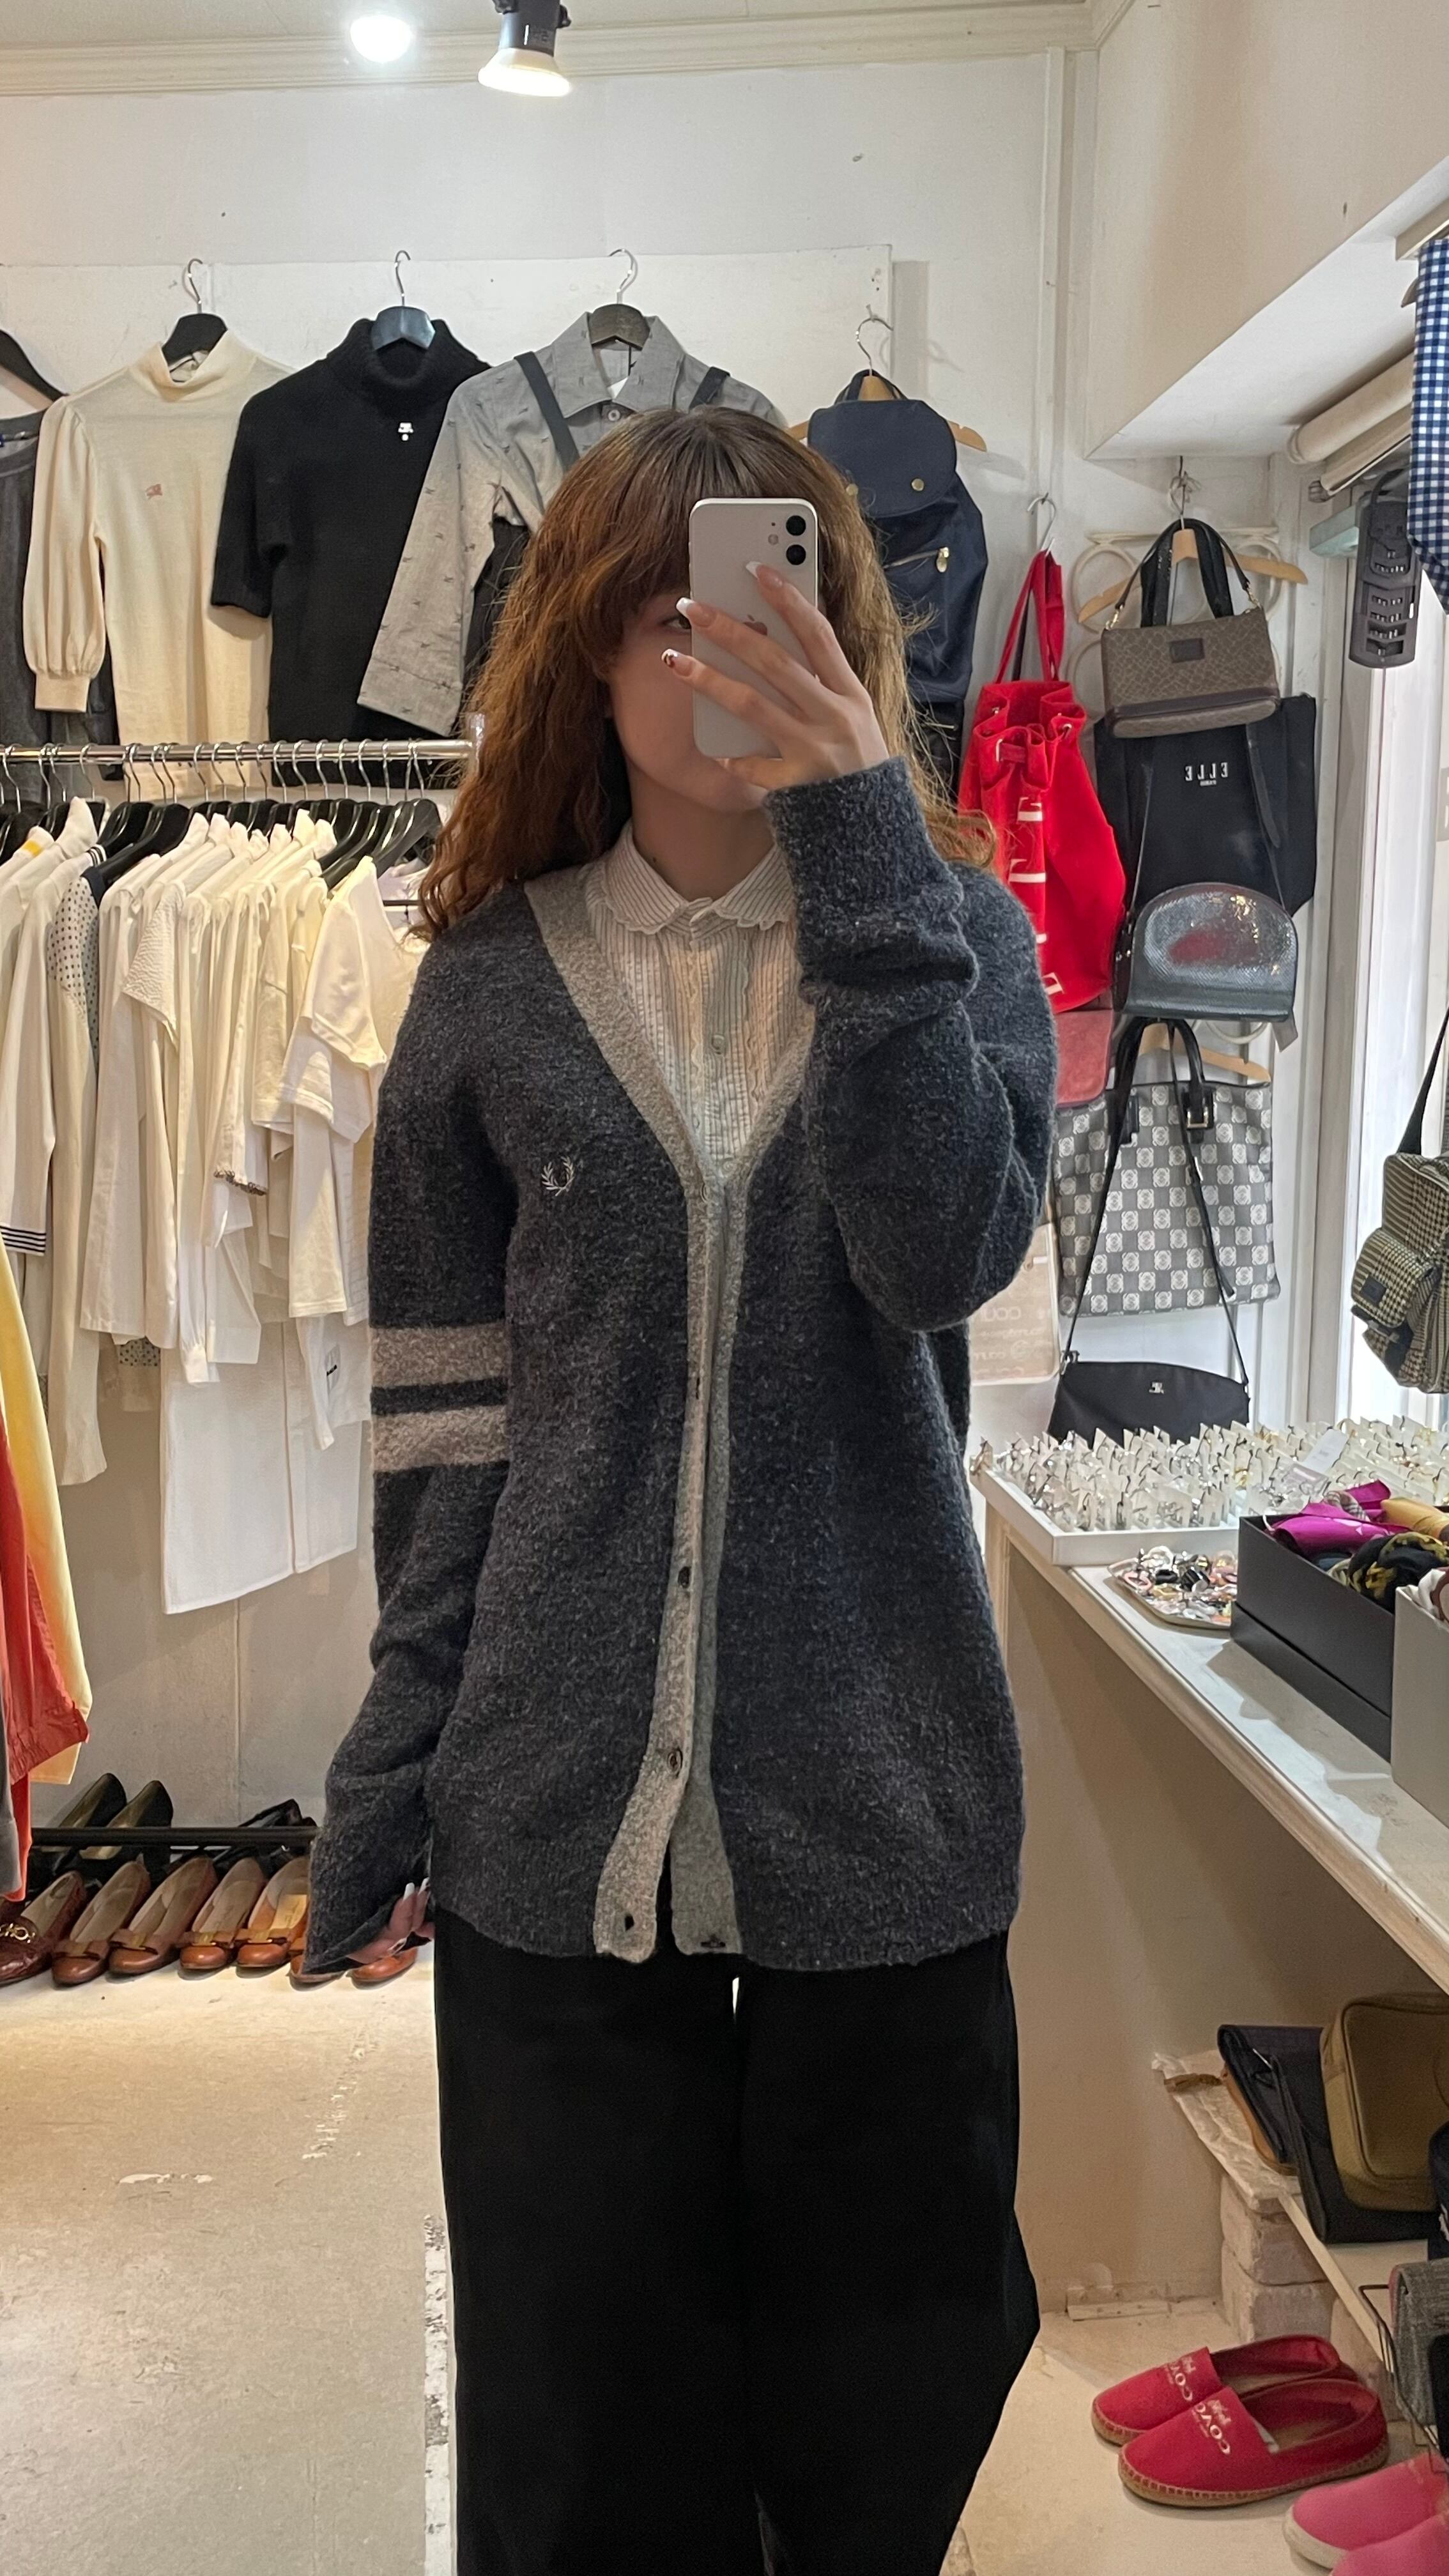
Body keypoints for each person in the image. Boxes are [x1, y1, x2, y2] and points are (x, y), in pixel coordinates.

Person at [302, 405, 1056, 2576]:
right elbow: (444, 1425)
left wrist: (862, 854)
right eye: (664, 614)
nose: (713, 656)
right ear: (583, 650)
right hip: (556, 1826)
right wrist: (396, 1766)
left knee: (881, 2427)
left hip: (879, 1811)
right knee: (579, 2459)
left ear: (838, 630)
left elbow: (936, 1254)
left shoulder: (954, 943)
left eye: (760, 604)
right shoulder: (482, 983)